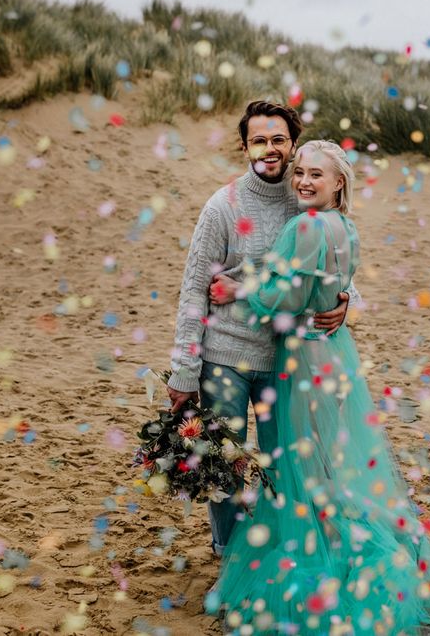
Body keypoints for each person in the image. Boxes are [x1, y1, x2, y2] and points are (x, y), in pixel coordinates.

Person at [206, 141, 430, 634]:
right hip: (335, 352)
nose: (302, 181)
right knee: (328, 463)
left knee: (304, 469)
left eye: (315, 175)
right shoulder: (345, 227)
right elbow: (334, 284)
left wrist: (239, 290)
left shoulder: (307, 225)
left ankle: (331, 559)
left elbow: (290, 293)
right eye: (299, 173)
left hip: (303, 356)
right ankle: (355, 541)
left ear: (338, 182)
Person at [166, 101, 357, 558]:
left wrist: (349, 303)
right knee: (224, 463)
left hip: (285, 359)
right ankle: (227, 552)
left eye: (278, 141)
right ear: (244, 146)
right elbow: (194, 289)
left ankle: (276, 553)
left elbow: (336, 266)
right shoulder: (223, 206)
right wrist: (184, 370)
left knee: (283, 464)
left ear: (292, 145)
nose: (270, 150)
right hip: (225, 357)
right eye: (259, 141)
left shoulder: (308, 193)